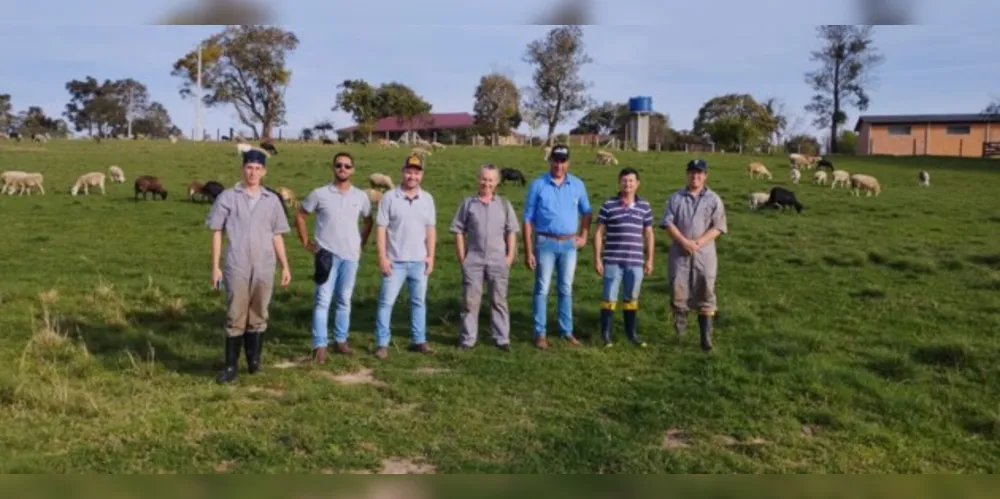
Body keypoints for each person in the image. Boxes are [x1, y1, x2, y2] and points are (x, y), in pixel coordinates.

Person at [206, 148, 292, 383]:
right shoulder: (228, 197)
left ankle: (254, 361)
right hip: (237, 264)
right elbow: (216, 232)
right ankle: (231, 366)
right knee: (236, 313)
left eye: (257, 168)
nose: (252, 173)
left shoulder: (271, 200)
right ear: (242, 169)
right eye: (249, 167)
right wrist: (215, 266)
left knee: (259, 311)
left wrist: (285, 265)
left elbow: (277, 235)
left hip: (265, 264)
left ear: (264, 171)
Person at [295, 151, 373, 362]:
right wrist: (306, 242)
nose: (343, 169)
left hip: (350, 256)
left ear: (353, 170)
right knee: (322, 299)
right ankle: (320, 344)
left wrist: (362, 242)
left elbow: (368, 220)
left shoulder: (361, 196)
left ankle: (340, 340)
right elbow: (301, 215)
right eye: (339, 165)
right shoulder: (320, 194)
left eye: (347, 166)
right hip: (326, 255)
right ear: (333, 168)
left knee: (344, 299)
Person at [522, 144, 592, 349]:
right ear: (550, 161)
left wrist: (584, 235)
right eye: (555, 160)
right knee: (542, 288)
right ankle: (540, 333)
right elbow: (527, 219)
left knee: (566, 288)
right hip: (545, 242)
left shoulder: (577, 185)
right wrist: (528, 250)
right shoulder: (538, 185)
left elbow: (587, 211)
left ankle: (566, 330)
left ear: (568, 162)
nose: (559, 165)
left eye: (563, 161)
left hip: (569, 244)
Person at [659, 159, 728, 351]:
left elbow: (718, 227)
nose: (695, 176)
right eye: (692, 173)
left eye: (699, 173)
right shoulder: (676, 198)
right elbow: (667, 223)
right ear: (687, 174)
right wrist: (684, 241)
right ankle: (679, 335)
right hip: (679, 252)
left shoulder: (714, 199)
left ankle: (705, 338)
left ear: (705, 176)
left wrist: (697, 243)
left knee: (705, 289)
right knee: (678, 289)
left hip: (704, 253)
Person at [449, 164, 520, 351]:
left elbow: (511, 231)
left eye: (490, 180)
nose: (486, 183)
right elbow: (458, 231)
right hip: (474, 259)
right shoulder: (468, 204)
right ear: (478, 179)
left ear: (496, 182)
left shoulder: (504, 205)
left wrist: (510, 256)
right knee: (470, 301)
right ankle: (467, 339)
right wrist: (462, 258)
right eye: (483, 179)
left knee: (498, 299)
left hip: (498, 260)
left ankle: (502, 338)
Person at [373, 153, 436, 359]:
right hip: (395, 261)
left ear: (422, 175)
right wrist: (382, 257)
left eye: (416, 173)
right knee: (386, 302)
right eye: (409, 172)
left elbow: (430, 230)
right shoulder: (389, 198)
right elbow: (381, 228)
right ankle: (382, 343)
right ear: (403, 172)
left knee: (418, 302)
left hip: (419, 261)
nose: (412, 176)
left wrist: (431, 256)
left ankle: (419, 340)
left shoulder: (427, 199)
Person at [593, 167, 654, 347]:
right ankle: (605, 335)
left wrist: (650, 259)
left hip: (635, 262)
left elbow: (649, 234)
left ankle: (631, 334)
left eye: (631, 181)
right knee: (609, 297)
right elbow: (598, 233)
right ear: (619, 183)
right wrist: (597, 258)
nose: (627, 184)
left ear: (637, 184)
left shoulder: (645, 206)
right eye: (624, 181)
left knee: (631, 298)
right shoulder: (608, 205)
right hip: (612, 260)